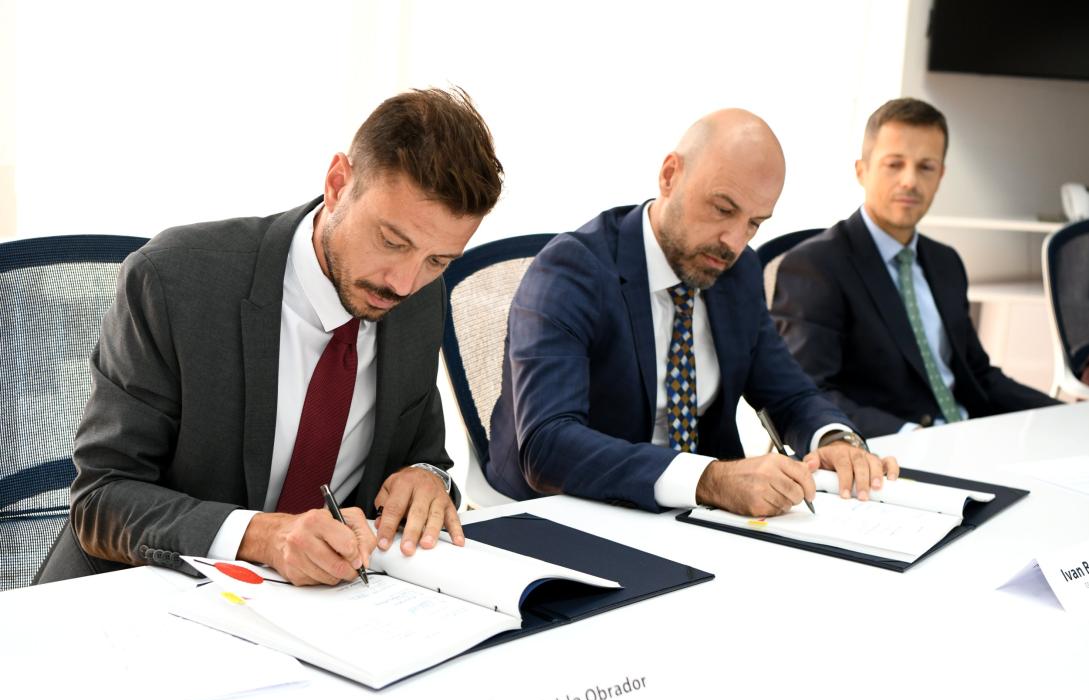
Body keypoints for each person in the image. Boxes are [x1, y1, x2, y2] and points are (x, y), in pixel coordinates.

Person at [36, 87, 504, 586]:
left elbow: (423, 456)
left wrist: (428, 480)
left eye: (437, 261)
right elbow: (103, 497)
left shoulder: (420, 300)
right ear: (338, 184)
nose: (404, 283)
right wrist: (264, 537)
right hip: (139, 593)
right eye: (391, 241)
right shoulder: (175, 280)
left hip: (324, 602)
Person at [485, 109, 897, 518]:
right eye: (723, 209)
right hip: (572, 510)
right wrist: (708, 479)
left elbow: (789, 393)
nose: (734, 242)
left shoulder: (738, 272)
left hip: (695, 515)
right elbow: (548, 445)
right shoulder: (571, 271)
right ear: (670, 176)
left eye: (754, 223)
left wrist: (834, 439)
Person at [771, 98, 1059, 437]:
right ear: (862, 171)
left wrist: (1068, 414)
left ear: (940, 176)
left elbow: (978, 376)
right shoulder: (816, 266)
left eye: (926, 167)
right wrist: (913, 435)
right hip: (891, 447)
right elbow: (807, 394)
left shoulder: (946, 262)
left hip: (968, 435)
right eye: (894, 164)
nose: (910, 180)